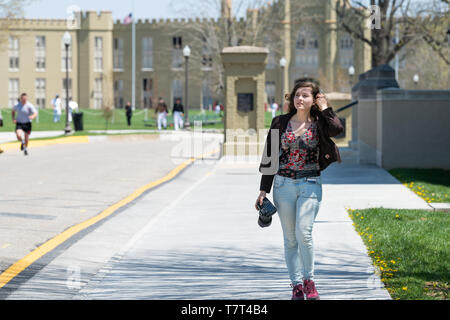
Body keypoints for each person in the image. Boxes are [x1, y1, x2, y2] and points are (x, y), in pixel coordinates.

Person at [255, 81, 344, 300]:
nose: (300, 99)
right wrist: (263, 190)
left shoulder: (320, 122)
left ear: (314, 99)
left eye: (305, 95)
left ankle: (309, 281)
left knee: (304, 232)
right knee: (290, 238)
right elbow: (270, 156)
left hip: (310, 183)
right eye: (297, 95)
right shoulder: (280, 122)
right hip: (283, 185)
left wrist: (325, 108)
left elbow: (337, 130)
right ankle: (296, 285)